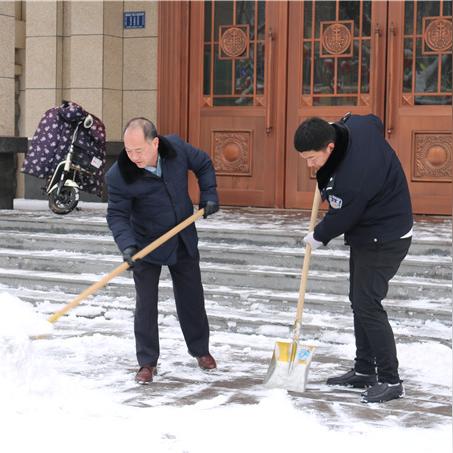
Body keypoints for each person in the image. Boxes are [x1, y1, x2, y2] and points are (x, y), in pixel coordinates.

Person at [293, 113, 413, 403]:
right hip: (370, 232)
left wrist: (319, 235)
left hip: (385, 236)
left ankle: (390, 380)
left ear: (330, 148)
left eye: (312, 158)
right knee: (358, 300)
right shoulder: (352, 125)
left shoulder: (352, 178)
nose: (309, 166)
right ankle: (364, 369)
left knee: (367, 304)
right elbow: (372, 120)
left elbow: (343, 215)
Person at [106, 117, 219, 384]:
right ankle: (147, 362)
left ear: (155, 143)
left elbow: (203, 164)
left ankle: (201, 350)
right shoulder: (119, 174)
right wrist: (127, 246)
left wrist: (210, 195)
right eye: (128, 151)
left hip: (181, 237)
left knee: (191, 297)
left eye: (139, 150)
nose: (133, 157)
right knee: (146, 303)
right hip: (145, 244)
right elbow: (117, 215)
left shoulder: (176, 149)